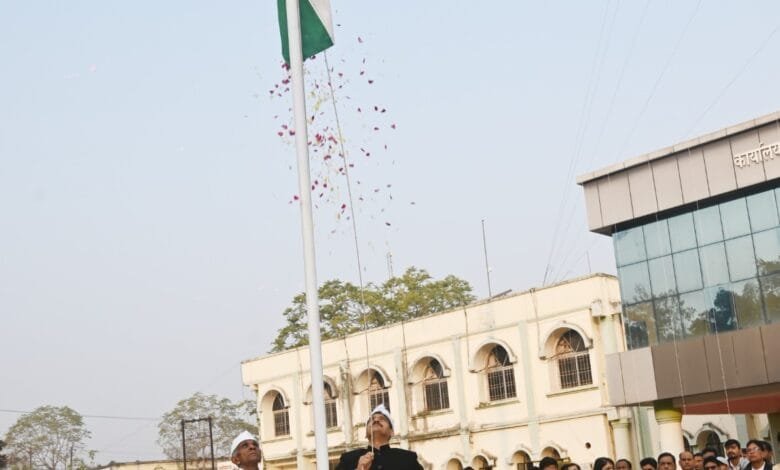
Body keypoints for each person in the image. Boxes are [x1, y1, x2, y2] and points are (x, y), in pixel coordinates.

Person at [336, 404, 423, 470]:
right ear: (366, 433)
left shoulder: (407, 458)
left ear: (392, 432)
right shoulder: (348, 459)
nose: (376, 420)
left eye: (382, 419)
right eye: (372, 419)